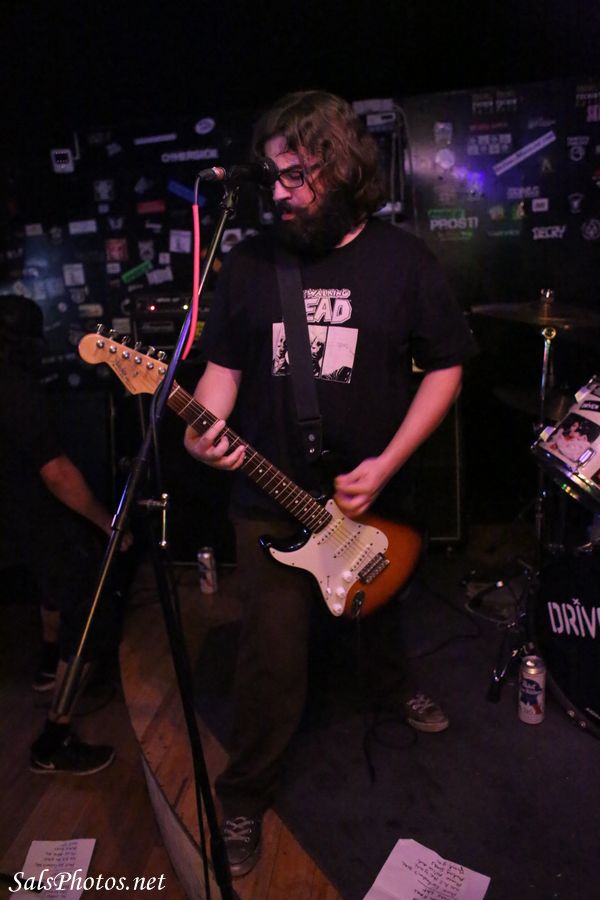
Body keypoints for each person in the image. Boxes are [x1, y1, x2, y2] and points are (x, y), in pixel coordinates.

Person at [184, 90, 476, 877]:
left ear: (341, 167)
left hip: (370, 491)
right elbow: (222, 372)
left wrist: (389, 463)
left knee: (379, 608)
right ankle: (244, 796)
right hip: (267, 495)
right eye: (272, 175)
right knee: (271, 657)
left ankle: (391, 687)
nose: (279, 192)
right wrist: (201, 429)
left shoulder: (403, 260)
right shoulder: (251, 263)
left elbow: (447, 365)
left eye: (297, 175)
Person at [0, 294, 131, 775]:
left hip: (14, 520)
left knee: (53, 586)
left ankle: (49, 664)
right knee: (91, 611)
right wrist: (107, 523)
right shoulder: (17, 388)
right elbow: (56, 473)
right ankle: (53, 739)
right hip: (33, 515)